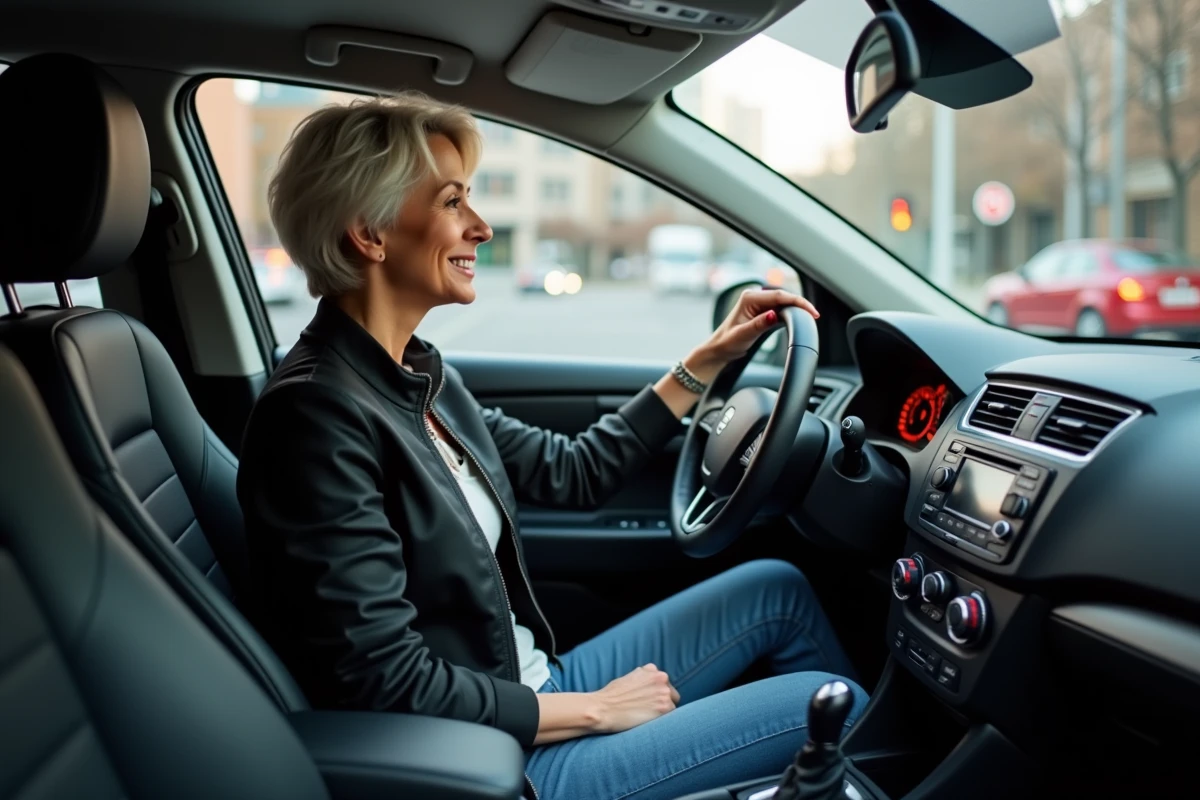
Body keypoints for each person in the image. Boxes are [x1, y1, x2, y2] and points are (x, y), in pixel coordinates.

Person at [237, 92, 868, 800]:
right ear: (369, 234)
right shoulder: (316, 416)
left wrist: (711, 357)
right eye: (452, 202)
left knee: (776, 591)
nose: (481, 227)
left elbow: (575, 471)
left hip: (530, 684)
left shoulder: (418, 376)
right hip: (501, 757)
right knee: (827, 704)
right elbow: (381, 677)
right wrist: (595, 710)